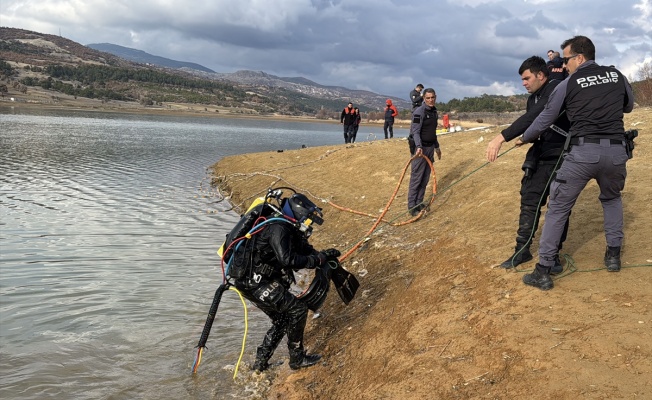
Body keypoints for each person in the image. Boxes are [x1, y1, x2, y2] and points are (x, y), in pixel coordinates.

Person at [517, 35, 634, 290]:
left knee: (557, 208)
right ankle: (613, 256)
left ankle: (544, 270)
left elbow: (545, 118)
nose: (563, 64)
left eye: (566, 59)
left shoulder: (568, 83)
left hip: (582, 153)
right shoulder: (618, 76)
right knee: (612, 199)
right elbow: (629, 107)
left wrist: (524, 138)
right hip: (616, 153)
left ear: (580, 58)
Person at [230, 193, 341, 370]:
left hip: (254, 280)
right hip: (254, 282)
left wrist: (323, 255)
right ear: (298, 213)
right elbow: (288, 260)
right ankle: (296, 358)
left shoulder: (289, 227)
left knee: (282, 318)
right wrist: (316, 260)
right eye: (307, 219)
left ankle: (259, 365)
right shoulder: (279, 228)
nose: (308, 223)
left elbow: (304, 250)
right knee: (298, 310)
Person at [485, 56, 571, 273]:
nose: (523, 83)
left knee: (558, 206)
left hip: (563, 154)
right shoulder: (532, 98)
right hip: (541, 154)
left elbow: (536, 115)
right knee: (529, 199)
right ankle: (522, 249)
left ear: (541, 75)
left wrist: (500, 138)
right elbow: (533, 122)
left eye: (526, 78)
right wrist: (525, 139)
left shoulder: (556, 88)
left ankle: (553, 255)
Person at [408, 88, 442, 216]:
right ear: (424, 99)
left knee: (425, 178)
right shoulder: (418, 112)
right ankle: (412, 206)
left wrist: (437, 147)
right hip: (419, 150)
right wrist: (418, 146)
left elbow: (432, 132)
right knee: (416, 178)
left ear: (435, 97)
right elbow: (415, 131)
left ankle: (419, 202)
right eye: (428, 98)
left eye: (432, 97)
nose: (430, 100)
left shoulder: (434, 112)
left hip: (430, 149)